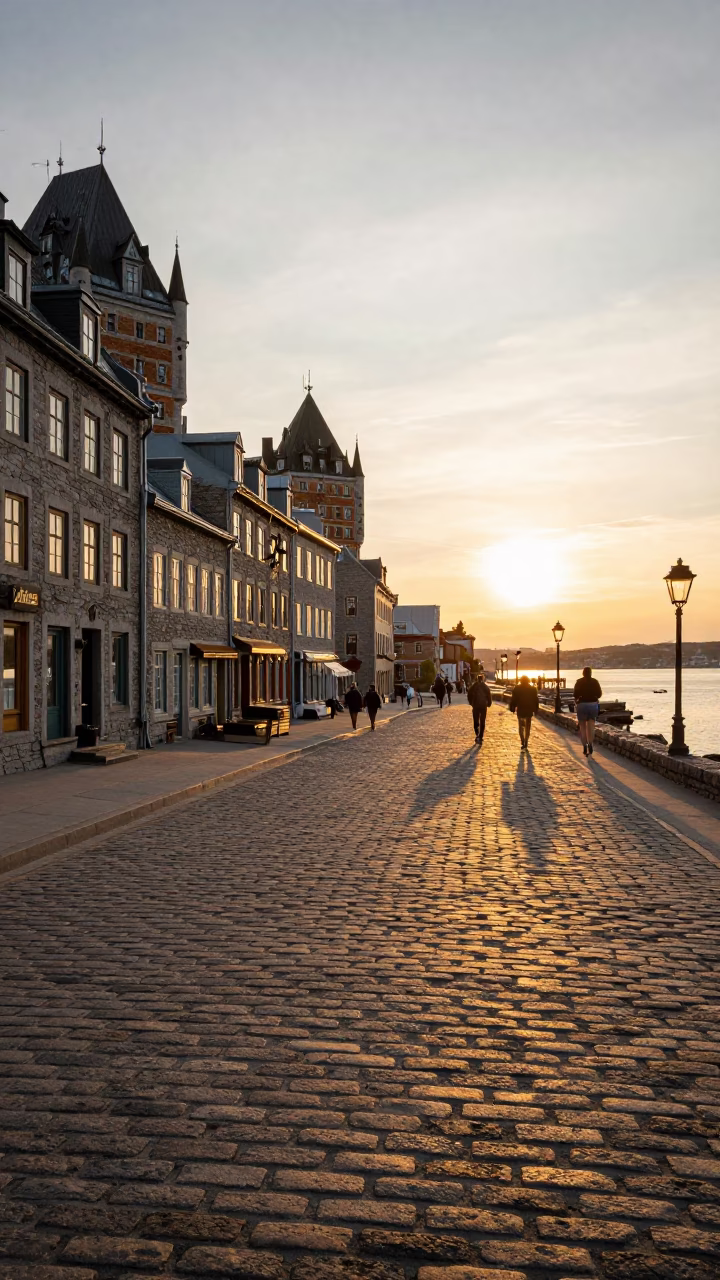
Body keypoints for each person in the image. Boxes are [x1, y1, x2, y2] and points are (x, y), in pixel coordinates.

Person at [573, 666, 603, 756]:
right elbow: (599, 694)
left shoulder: (579, 682)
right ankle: (590, 743)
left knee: (582, 727)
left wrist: (579, 698)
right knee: (591, 726)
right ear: (591, 673)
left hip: (582, 705)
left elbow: (575, 694)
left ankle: (584, 746)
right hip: (593, 705)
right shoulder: (595, 682)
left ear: (583, 673)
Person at [509, 674, 539, 749]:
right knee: (527, 727)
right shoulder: (533, 689)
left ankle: (522, 740)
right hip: (529, 710)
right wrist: (536, 709)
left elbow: (513, 699)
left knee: (521, 726)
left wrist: (512, 707)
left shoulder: (517, 688)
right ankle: (526, 740)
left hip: (521, 710)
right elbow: (536, 700)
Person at [467, 674, 492, 744]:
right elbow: (489, 696)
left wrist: (471, 702)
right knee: (482, 721)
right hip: (483, 706)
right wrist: (489, 703)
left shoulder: (474, 686)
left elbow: (469, 694)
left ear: (477, 679)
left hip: (475, 706)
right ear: (483, 679)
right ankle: (481, 736)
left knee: (476, 721)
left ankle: (477, 734)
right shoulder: (485, 687)